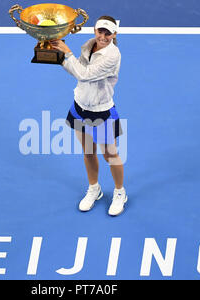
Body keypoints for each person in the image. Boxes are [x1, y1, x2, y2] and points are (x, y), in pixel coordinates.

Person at [50, 16, 127, 216]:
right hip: (80, 107)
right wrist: (55, 54)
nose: (103, 36)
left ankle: (120, 192)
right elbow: (77, 73)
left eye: (108, 33)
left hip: (102, 111)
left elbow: (85, 74)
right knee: (88, 152)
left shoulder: (113, 55)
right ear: (94, 31)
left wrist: (67, 53)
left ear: (114, 34)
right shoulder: (89, 46)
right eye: (100, 32)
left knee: (110, 155)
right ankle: (94, 188)